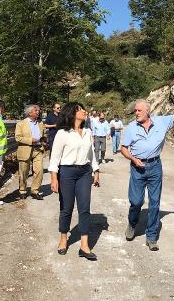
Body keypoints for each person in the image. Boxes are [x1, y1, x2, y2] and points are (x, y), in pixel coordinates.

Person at [121, 90, 174, 251]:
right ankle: (132, 223)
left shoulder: (161, 122)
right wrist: (132, 159)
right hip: (137, 167)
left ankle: (151, 236)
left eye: (139, 110)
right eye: (135, 111)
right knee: (136, 201)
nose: (136, 113)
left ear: (147, 111)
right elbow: (123, 148)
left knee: (154, 203)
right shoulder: (131, 127)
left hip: (155, 167)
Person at [49, 102, 100, 260]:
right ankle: (64, 239)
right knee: (66, 208)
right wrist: (53, 178)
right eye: (80, 109)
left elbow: (91, 153)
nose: (84, 111)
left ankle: (84, 246)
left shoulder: (87, 132)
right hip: (67, 173)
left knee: (84, 208)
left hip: (85, 172)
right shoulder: (63, 133)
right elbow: (54, 159)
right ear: (72, 113)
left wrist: (96, 170)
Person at [15, 104, 47, 200]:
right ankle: (22, 190)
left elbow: (44, 134)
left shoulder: (40, 124)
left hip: (38, 149)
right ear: (30, 113)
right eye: (36, 110)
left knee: (39, 170)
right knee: (23, 172)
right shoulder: (21, 124)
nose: (38, 112)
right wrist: (30, 140)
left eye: (38, 110)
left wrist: (44, 141)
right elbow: (18, 137)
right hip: (25, 150)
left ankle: (35, 191)